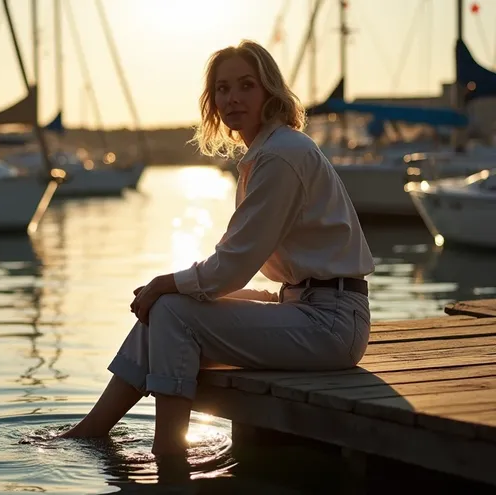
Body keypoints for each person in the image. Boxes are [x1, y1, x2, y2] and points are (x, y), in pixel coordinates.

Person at [60, 39, 375, 458]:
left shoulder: (282, 156)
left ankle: (168, 452)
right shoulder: (268, 153)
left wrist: (164, 282)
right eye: (223, 89)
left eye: (246, 85)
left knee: (172, 308)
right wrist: (168, 289)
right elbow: (230, 262)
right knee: (166, 308)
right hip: (304, 305)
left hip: (331, 323)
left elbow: (231, 269)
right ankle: (94, 429)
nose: (233, 98)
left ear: (269, 91)